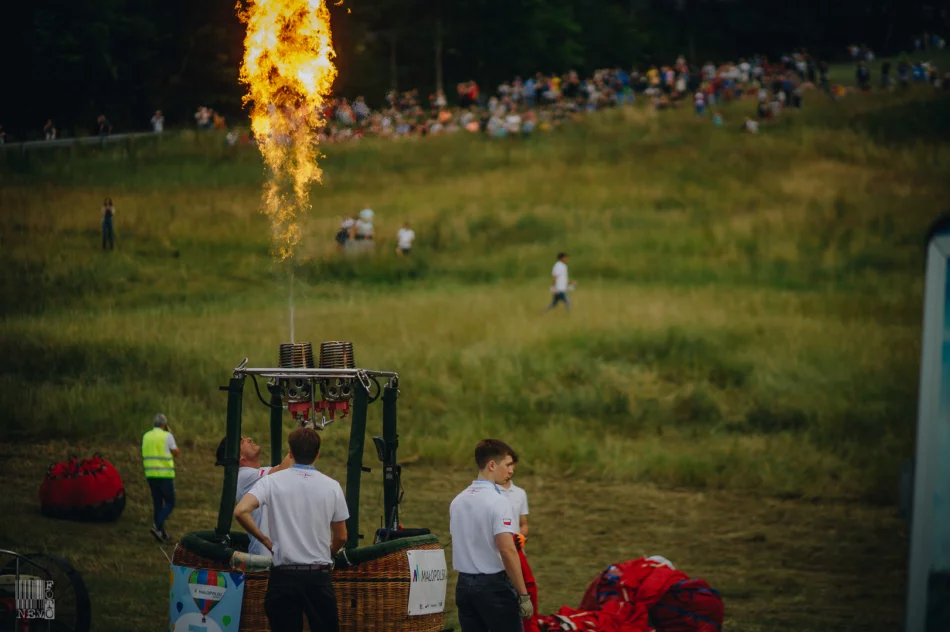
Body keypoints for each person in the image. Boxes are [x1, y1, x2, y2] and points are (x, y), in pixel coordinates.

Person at [234, 428, 349, 632]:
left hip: (283, 576)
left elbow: (241, 511)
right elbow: (341, 536)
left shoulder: (270, 481)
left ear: (291, 452)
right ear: (318, 453)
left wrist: (265, 541)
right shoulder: (332, 486)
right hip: (318, 576)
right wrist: (328, 553)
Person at [449, 439, 533, 632]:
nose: (511, 471)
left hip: (463, 586)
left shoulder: (458, 501)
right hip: (493, 587)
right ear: (492, 465)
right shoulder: (499, 501)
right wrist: (523, 594)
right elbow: (507, 550)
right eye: (507, 465)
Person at [214, 436, 292, 556]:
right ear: (240, 458)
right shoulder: (244, 476)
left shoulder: (257, 473)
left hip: (272, 552)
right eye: (242, 442)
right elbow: (283, 471)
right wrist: (299, 444)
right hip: (265, 555)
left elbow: (287, 470)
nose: (249, 439)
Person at [142, 413, 179, 542]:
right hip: (164, 475)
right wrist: (169, 432)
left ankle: (162, 534)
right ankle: (157, 526)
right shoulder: (167, 436)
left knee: (157, 503)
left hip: (150, 474)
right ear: (165, 424)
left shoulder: (146, 436)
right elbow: (176, 452)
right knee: (170, 502)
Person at [500, 454, 529, 537]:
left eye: (511, 465)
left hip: (515, 547)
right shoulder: (490, 492)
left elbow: (523, 524)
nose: (510, 469)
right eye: (507, 465)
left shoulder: (520, 493)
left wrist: (520, 536)